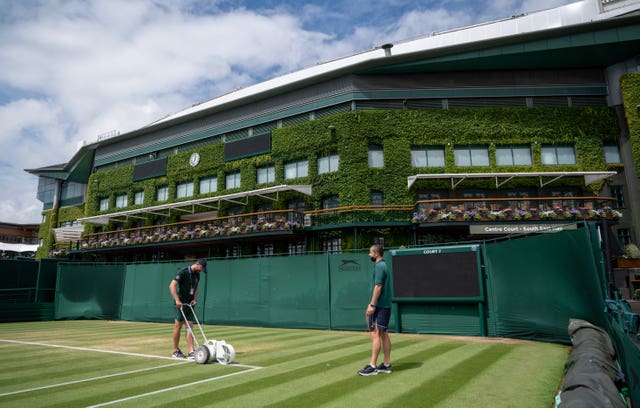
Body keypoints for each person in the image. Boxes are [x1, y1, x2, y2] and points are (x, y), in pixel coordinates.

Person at [358, 244, 392, 376]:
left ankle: (372, 366)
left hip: (379, 305)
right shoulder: (384, 265)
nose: (369, 254)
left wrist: (372, 304)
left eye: (370, 252)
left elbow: (378, 286)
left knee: (375, 334)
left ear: (376, 254)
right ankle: (386, 365)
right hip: (385, 305)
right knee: (384, 334)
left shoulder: (379, 266)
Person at [169, 258, 207, 359]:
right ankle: (175, 350)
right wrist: (177, 300)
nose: (201, 271)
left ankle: (191, 351)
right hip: (180, 303)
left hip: (190, 303)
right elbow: (172, 286)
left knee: (190, 325)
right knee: (178, 325)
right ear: (197, 264)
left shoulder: (197, 275)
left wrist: (194, 299)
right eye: (201, 268)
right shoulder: (183, 272)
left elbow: (196, 288)